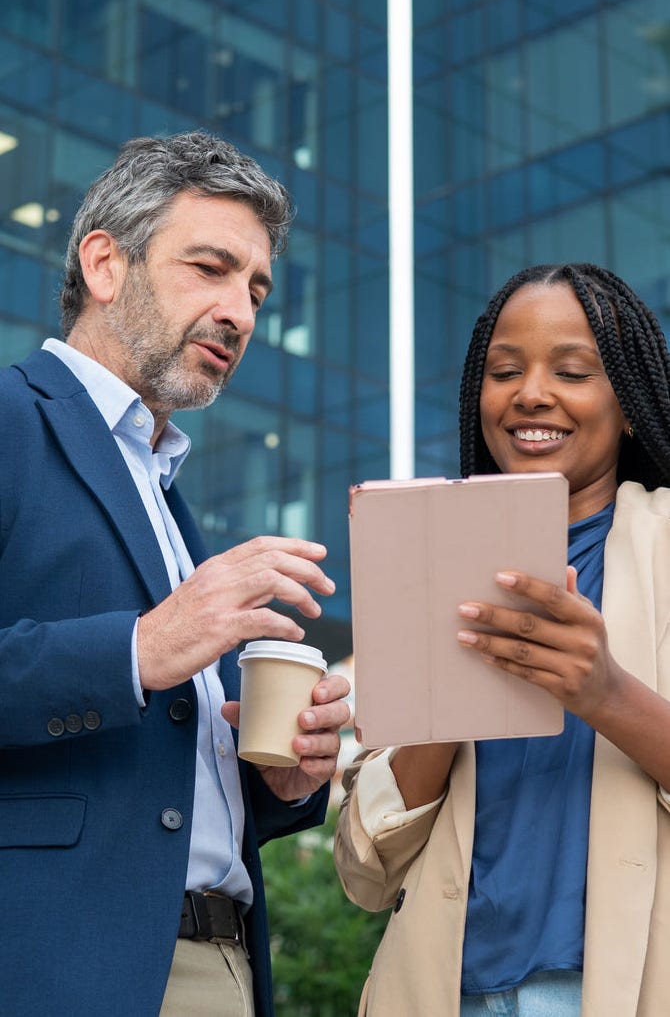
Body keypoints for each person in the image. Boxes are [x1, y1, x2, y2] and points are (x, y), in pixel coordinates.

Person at [0, 130, 351, 1017]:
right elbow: (138, 663)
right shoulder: (9, 418)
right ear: (106, 263)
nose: (241, 311)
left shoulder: (170, 500)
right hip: (54, 965)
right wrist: (142, 647)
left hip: (224, 965)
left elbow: (176, 783)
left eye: (257, 289)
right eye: (211, 267)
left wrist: (280, 777)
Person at [334, 262, 670, 1017]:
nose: (529, 393)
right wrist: (444, 694)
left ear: (630, 405)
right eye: (504, 370)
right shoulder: (430, 560)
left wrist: (605, 693)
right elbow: (364, 869)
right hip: (442, 992)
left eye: (574, 370)